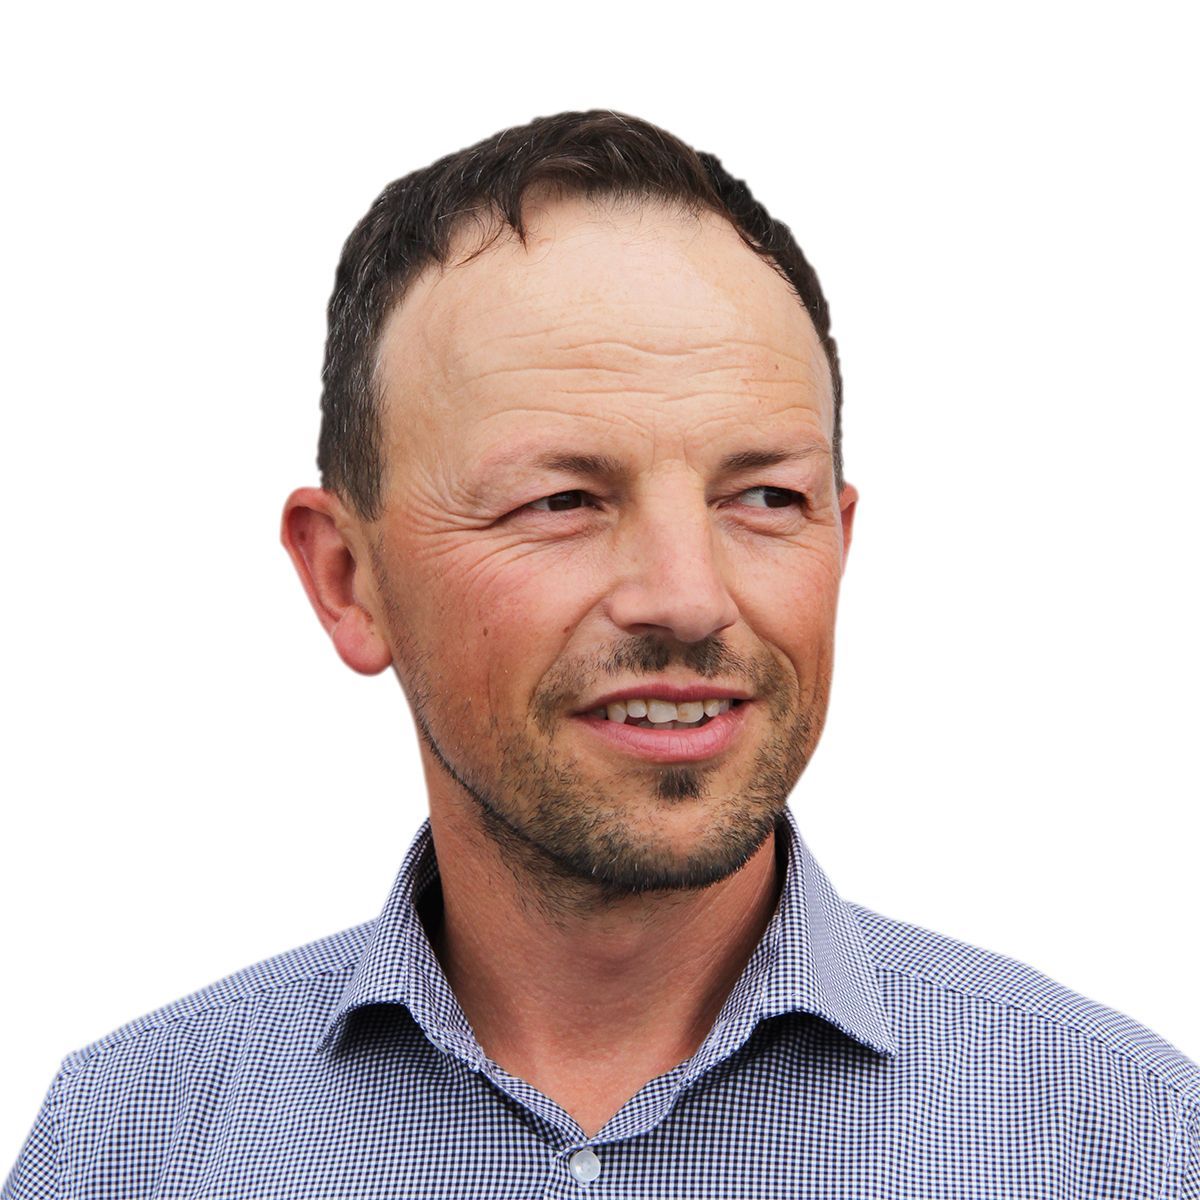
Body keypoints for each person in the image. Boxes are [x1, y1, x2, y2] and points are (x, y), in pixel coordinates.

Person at [5, 109, 1197, 1200]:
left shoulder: (1129, 1144)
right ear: (347, 581)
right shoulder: (124, 1149)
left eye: (766, 498)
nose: (687, 598)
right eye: (563, 500)